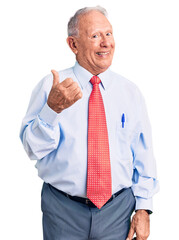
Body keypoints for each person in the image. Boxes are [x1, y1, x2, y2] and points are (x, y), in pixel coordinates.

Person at [20, 6, 159, 240]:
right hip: (63, 210)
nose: (106, 43)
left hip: (117, 211)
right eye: (95, 36)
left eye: (109, 34)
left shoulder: (130, 92)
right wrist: (52, 109)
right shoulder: (51, 88)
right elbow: (33, 149)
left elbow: (143, 155)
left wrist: (144, 209)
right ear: (73, 44)